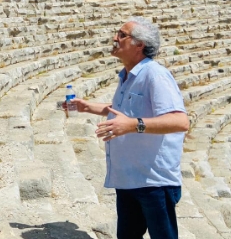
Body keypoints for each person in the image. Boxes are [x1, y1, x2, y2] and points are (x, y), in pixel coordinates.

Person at [66, 17, 189, 239]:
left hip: (154, 181)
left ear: (139, 45)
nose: (115, 38)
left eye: (122, 35)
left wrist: (133, 125)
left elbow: (180, 121)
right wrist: (87, 107)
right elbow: (125, 110)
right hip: (129, 178)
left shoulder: (155, 75)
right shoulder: (127, 76)